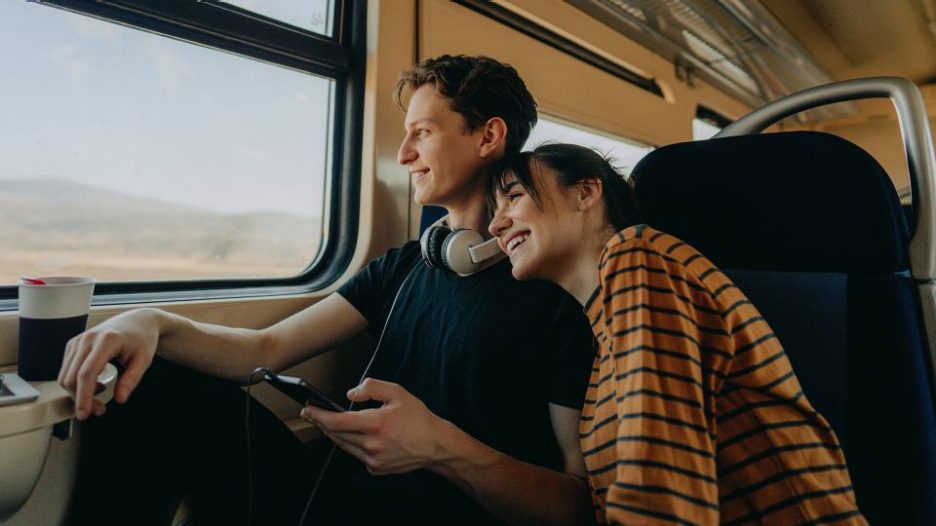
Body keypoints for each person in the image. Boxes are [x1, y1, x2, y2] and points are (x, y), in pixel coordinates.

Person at [60, 56, 596, 526]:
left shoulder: (553, 294)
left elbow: (578, 506)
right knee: (150, 374)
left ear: (487, 136)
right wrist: (151, 321)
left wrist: (441, 448)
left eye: (423, 133)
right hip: (334, 497)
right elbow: (263, 351)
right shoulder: (405, 266)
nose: (405, 154)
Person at [488, 143, 866, 525]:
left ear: (586, 192)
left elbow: (660, 484)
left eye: (514, 197)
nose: (495, 225)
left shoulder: (636, 257)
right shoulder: (603, 328)